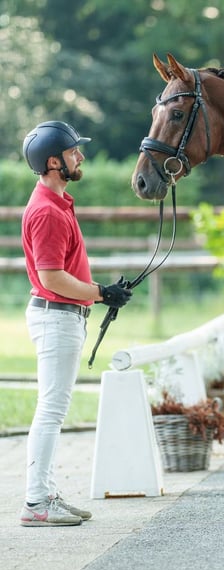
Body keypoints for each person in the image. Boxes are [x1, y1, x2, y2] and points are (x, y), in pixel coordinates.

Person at [19, 121, 133, 527]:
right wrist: (101, 293)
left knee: (53, 409)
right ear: (54, 162)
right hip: (58, 319)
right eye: (73, 153)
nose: (80, 157)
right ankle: (36, 503)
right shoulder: (48, 212)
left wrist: (100, 292)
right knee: (51, 410)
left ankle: (44, 494)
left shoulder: (57, 203)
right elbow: (51, 278)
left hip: (64, 316)